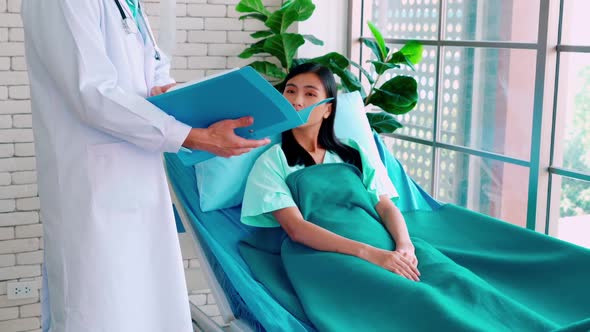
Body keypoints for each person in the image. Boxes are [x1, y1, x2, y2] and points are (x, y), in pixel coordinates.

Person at [239, 63, 557, 331]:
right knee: (418, 300)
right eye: (290, 91)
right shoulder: (272, 162)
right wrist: (370, 255)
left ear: (327, 109)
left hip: (385, 241)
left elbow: (385, 204)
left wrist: (404, 245)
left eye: (310, 94)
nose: (296, 100)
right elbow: (296, 229)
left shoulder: (352, 151)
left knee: (458, 282)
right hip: (326, 254)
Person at [21, 1, 269, 331]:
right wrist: (190, 135)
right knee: (98, 304)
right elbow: (92, 93)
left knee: (147, 299)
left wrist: (169, 94)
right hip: (91, 183)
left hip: (139, 171)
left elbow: (152, 69)